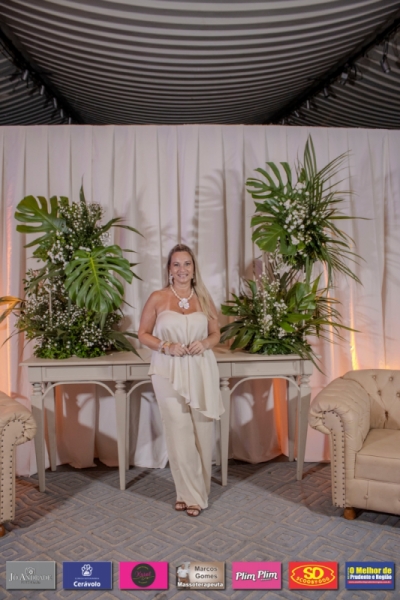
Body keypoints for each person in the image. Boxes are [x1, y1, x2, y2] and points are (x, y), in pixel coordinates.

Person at [138, 244, 224, 517]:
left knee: (203, 432)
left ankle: (189, 493)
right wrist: (166, 346)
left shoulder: (204, 298)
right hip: (167, 370)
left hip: (201, 369)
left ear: (194, 268)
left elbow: (216, 334)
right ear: (169, 269)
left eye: (187, 264)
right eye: (176, 264)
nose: (182, 269)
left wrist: (205, 343)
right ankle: (191, 496)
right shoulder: (158, 297)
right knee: (178, 432)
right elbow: (143, 333)